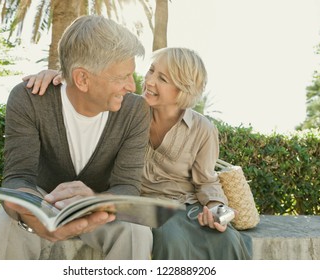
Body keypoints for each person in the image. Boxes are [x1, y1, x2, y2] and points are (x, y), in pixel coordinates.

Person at [25, 47, 252, 260]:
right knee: (170, 238)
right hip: (136, 207)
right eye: (151, 70)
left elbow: (206, 182)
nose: (149, 81)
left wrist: (214, 209)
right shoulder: (125, 110)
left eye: (162, 79)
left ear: (184, 89)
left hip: (183, 208)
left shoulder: (203, 129)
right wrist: (57, 76)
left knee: (228, 240)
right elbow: (89, 89)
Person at [0, 15, 153, 260]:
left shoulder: (135, 110)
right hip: (39, 202)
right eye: (121, 77)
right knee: (3, 228)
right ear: (82, 78)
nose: (131, 87)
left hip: (100, 206)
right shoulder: (29, 99)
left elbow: (128, 187)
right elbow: (18, 179)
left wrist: (93, 202)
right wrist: (36, 216)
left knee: (138, 231)